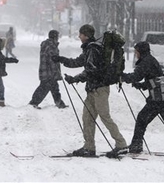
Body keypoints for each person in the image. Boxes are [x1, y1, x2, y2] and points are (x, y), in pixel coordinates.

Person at [52, 24, 128, 158]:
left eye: (80, 34)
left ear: (85, 35)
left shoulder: (93, 49)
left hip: (100, 88)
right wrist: (61, 59)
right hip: (93, 89)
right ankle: (89, 147)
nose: (79, 36)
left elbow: (91, 71)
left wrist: (75, 79)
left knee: (105, 117)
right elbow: (77, 62)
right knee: (87, 117)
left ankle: (121, 144)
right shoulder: (90, 49)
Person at [28, 30, 67, 109]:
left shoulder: (46, 44)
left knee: (54, 87)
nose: (58, 38)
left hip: (45, 70)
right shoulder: (51, 46)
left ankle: (59, 103)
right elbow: (53, 60)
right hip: (49, 72)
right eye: (57, 36)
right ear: (55, 37)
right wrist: (56, 72)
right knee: (44, 88)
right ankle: (33, 103)